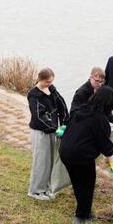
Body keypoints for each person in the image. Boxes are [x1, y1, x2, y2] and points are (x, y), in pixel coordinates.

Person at [59, 86, 113, 224]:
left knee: (77, 181)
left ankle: (82, 210)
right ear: (108, 105)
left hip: (65, 151)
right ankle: (82, 217)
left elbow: (67, 123)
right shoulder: (101, 120)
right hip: (81, 156)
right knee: (87, 184)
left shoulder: (80, 109)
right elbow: (105, 145)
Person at [26, 67, 69, 201]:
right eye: (47, 82)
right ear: (40, 79)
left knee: (50, 160)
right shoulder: (33, 95)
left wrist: (64, 122)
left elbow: (61, 105)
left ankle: (46, 188)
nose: (49, 84)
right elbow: (39, 116)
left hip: (53, 130)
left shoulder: (51, 89)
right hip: (40, 132)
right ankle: (35, 191)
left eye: (51, 82)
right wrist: (53, 128)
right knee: (41, 161)